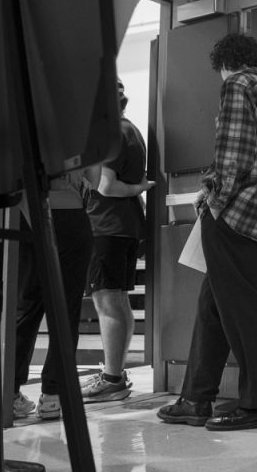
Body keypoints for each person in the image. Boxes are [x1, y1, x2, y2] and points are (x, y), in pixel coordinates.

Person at [157, 33, 257, 431]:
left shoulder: (237, 84)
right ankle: (196, 398)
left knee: (241, 309)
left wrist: (211, 193)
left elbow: (232, 154)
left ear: (225, 63)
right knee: (214, 307)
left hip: (234, 214)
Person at [80, 80, 153, 402]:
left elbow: (106, 186)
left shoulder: (109, 135)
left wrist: (138, 189)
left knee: (106, 302)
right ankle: (116, 374)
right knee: (118, 300)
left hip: (105, 226)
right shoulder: (131, 130)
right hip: (125, 226)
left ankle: (111, 379)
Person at [12, 169, 96, 419]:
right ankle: (52, 396)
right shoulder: (79, 129)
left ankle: (9, 393)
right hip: (69, 213)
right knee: (65, 311)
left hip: (25, 210)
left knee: (25, 306)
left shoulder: (19, 128)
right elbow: (95, 175)